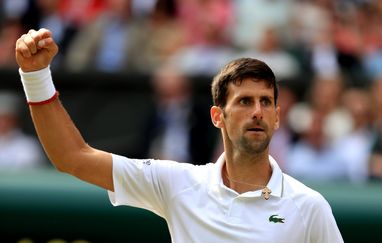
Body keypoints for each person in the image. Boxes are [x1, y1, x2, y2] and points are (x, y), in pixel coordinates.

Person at [15, 28, 343, 243]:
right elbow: (72, 157)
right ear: (218, 117)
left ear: (276, 118)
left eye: (266, 102)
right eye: (244, 101)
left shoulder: (309, 207)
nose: (257, 111)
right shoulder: (179, 183)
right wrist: (36, 76)